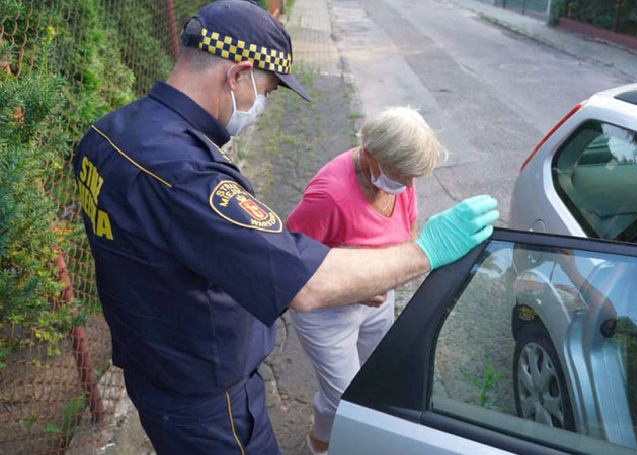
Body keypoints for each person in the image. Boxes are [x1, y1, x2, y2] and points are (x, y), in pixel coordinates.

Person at [71, 1, 499, 454]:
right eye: (267, 91)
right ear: (237, 75)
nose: (261, 106)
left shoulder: (107, 134)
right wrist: (425, 252)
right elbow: (306, 283)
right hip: (207, 398)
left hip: (155, 368)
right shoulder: (189, 177)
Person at [286, 106, 446, 454]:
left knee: (375, 377)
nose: (408, 186)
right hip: (327, 314)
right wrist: (357, 285)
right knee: (344, 396)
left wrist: (382, 275)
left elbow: (409, 232)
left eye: (413, 177)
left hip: (377, 302)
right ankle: (319, 445)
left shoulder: (400, 176)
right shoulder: (330, 195)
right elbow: (291, 265)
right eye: (402, 175)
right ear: (371, 155)